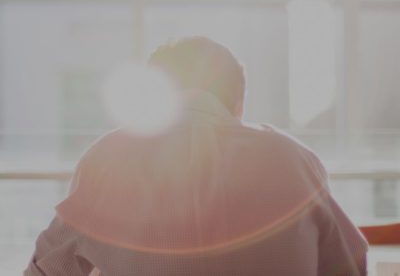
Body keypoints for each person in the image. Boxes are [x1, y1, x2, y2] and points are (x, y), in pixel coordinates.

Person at [24, 36, 368, 276]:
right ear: (239, 104)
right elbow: (351, 262)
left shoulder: (107, 159)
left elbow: (44, 271)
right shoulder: (293, 159)